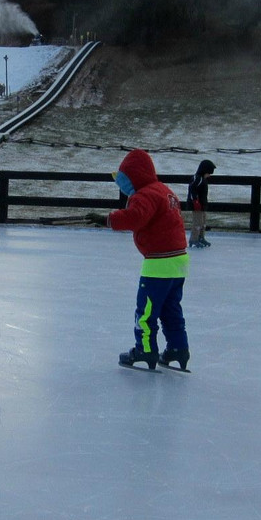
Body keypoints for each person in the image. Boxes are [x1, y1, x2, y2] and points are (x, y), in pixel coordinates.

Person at [90, 148, 191, 371]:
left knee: (146, 312)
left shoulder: (144, 195)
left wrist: (107, 220)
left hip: (158, 264)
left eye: (124, 180)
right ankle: (178, 349)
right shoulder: (165, 191)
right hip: (180, 261)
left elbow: (135, 218)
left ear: (133, 176)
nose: (122, 186)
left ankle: (145, 350)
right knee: (171, 309)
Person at [187, 159, 216, 248]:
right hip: (196, 205)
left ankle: (201, 237)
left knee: (203, 222)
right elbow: (192, 189)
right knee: (197, 223)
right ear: (204, 170)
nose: (209, 175)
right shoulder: (197, 179)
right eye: (209, 173)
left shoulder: (203, 179)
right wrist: (195, 201)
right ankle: (193, 239)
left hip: (202, 205)